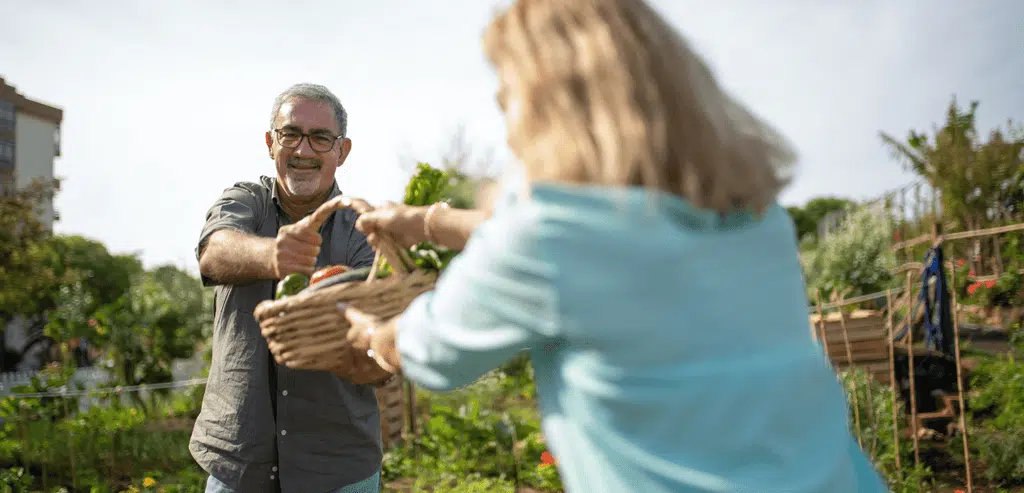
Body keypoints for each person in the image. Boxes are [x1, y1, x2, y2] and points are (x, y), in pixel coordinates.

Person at [310, 0, 890, 491]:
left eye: (509, 92)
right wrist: (423, 221)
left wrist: (376, 335)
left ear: (549, 104)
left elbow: (433, 351)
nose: (504, 115)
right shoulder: (753, 217)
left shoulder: (546, 239)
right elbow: (568, 247)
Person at [191, 83, 393, 493]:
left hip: (338, 467)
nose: (303, 151)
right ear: (270, 142)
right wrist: (274, 256)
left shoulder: (363, 228)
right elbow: (214, 252)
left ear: (342, 151)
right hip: (238, 461)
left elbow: (377, 339)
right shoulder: (245, 201)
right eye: (290, 134)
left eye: (321, 138)